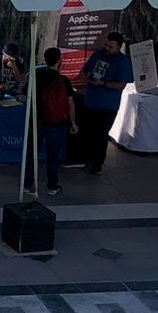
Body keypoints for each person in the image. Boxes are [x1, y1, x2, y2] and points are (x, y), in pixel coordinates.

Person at [75, 32, 132, 175]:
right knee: (87, 132)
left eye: (111, 46)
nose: (107, 48)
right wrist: (85, 77)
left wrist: (104, 83)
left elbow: (121, 85)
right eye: (106, 45)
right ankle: (84, 158)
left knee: (100, 135)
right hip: (90, 100)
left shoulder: (122, 62)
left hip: (107, 105)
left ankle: (97, 164)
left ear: (119, 47)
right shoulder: (98, 54)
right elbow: (84, 70)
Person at [33, 48, 75, 197]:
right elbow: (70, 104)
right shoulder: (64, 81)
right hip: (56, 123)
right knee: (52, 156)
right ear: (59, 60)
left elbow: (25, 94)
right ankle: (52, 186)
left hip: (37, 120)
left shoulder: (36, 76)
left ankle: (28, 184)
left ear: (44, 59)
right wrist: (73, 123)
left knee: (33, 153)